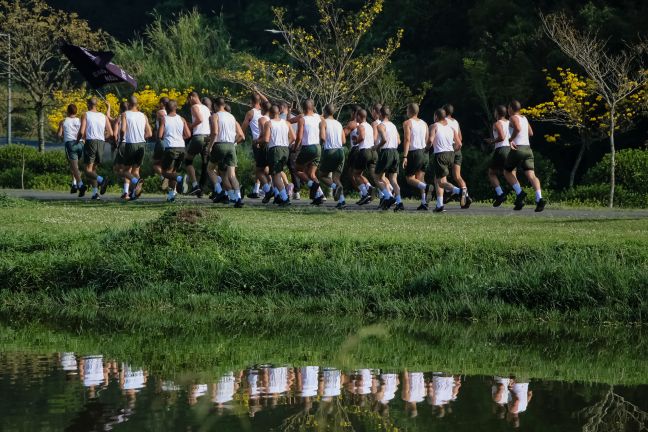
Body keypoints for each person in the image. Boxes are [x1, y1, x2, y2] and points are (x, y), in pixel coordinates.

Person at [503, 100, 546, 212]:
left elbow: (517, 128)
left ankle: (520, 192)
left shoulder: (513, 117)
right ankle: (539, 198)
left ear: (512, 109)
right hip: (528, 149)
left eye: (508, 108)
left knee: (507, 172)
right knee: (531, 175)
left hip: (518, 149)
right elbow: (531, 133)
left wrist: (511, 139)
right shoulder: (524, 118)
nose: (508, 110)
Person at [207, 97, 246, 207]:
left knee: (210, 168)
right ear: (224, 105)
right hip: (231, 146)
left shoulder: (215, 116)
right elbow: (240, 135)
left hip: (219, 145)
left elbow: (214, 133)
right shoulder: (232, 117)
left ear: (215, 105)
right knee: (232, 175)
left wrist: (210, 147)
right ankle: (238, 198)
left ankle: (219, 191)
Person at [115, 95, 151, 201]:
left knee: (125, 171)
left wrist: (122, 139)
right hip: (142, 144)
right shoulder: (143, 115)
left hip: (130, 144)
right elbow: (149, 133)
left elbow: (122, 130)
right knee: (136, 170)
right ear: (137, 104)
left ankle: (135, 183)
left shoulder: (125, 114)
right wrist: (141, 137)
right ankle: (136, 193)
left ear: (129, 104)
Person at [427, 108, 463, 212]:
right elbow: (459, 143)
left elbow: (430, 140)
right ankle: (439, 205)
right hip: (451, 155)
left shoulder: (434, 126)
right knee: (438, 179)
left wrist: (426, 148)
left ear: (436, 117)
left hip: (440, 155)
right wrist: (453, 150)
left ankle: (459, 191)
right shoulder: (451, 128)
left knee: (441, 182)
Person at [78, 97, 113, 200]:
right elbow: (110, 133)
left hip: (90, 142)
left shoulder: (85, 114)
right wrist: (102, 138)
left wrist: (77, 141)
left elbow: (81, 132)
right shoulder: (103, 116)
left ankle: (101, 180)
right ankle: (95, 193)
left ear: (88, 104)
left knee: (87, 170)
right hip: (101, 142)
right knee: (93, 169)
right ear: (96, 104)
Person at [262, 104, 296, 206]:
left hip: (275, 149)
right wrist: (286, 143)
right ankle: (279, 196)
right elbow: (293, 137)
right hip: (285, 149)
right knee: (278, 172)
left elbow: (266, 139)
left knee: (275, 176)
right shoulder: (287, 123)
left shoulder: (269, 123)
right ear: (279, 112)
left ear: (271, 113)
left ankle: (285, 198)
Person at [157, 100, 191, 202]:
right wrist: (180, 138)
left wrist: (165, 137)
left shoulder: (164, 119)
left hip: (170, 148)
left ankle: (180, 179)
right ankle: (171, 195)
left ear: (166, 108)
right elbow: (188, 134)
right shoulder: (182, 119)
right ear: (176, 108)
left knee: (164, 172)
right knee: (173, 172)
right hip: (181, 148)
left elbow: (160, 135)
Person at [181, 91, 212, 197]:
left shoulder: (194, 107)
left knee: (188, 161)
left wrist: (190, 126)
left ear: (192, 97)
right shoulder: (206, 108)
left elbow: (199, 119)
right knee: (205, 165)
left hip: (198, 137)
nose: (188, 102)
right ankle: (205, 189)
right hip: (208, 137)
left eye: (188, 100)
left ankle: (195, 185)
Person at [317, 104, 347, 209]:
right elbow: (344, 141)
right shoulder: (339, 124)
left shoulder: (323, 123)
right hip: (340, 151)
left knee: (322, 175)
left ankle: (335, 187)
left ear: (325, 111)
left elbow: (323, 138)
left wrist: (320, 145)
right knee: (336, 177)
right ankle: (342, 201)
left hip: (330, 151)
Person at [241, 93, 269, 199]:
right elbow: (266, 100)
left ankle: (268, 189)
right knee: (262, 167)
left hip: (257, 142)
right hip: (267, 141)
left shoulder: (251, 112)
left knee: (259, 168)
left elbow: (244, 126)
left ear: (251, 102)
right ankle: (257, 189)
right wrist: (258, 91)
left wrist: (240, 137)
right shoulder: (266, 111)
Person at [374, 106, 403, 211]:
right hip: (395, 152)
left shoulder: (380, 126)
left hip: (386, 152)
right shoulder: (393, 126)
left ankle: (388, 196)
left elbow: (384, 140)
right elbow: (399, 141)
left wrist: (376, 147)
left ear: (380, 115)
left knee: (377, 178)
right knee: (393, 179)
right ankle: (399, 202)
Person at [295, 99, 324, 204]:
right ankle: (319, 195)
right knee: (312, 174)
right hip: (318, 147)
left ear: (303, 108)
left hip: (308, 147)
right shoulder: (319, 117)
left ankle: (313, 185)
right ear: (313, 107)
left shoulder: (302, 119)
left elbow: (299, 136)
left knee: (297, 169)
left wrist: (295, 148)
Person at [402, 103, 429, 210]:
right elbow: (427, 139)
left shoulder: (407, 123)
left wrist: (405, 156)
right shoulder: (424, 123)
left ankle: (426, 188)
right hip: (424, 152)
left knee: (409, 179)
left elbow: (407, 140)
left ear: (409, 111)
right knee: (420, 178)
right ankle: (424, 202)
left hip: (414, 152)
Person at [444, 104, 471, 208]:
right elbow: (460, 137)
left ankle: (449, 191)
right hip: (458, 149)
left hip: (448, 149)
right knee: (457, 176)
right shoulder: (455, 122)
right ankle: (466, 196)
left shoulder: (443, 122)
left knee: (442, 175)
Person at [485, 105, 511, 207]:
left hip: (501, 149)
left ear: (497, 113)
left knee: (491, 173)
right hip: (510, 148)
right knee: (510, 173)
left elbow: (501, 137)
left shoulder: (497, 123)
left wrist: (492, 141)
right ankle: (519, 194)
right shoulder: (510, 123)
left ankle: (500, 194)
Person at [352, 109, 377, 205]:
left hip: (364, 151)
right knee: (372, 175)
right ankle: (371, 188)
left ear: (359, 116)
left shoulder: (361, 126)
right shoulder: (370, 126)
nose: (355, 118)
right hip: (372, 151)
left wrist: (355, 141)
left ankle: (365, 194)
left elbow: (361, 137)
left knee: (355, 174)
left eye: (356, 116)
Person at [57, 104, 82, 194]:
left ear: (67, 111)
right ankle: (75, 183)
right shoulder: (80, 120)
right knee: (77, 166)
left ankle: (77, 184)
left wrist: (63, 135)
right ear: (76, 111)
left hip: (70, 144)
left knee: (73, 166)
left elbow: (59, 134)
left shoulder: (63, 121)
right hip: (80, 143)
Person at [281, 101, 301, 200]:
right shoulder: (295, 118)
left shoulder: (281, 118)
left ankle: (291, 190)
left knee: (281, 168)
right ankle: (295, 191)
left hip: (287, 145)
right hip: (294, 145)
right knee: (293, 169)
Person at [153, 97, 170, 190]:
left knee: (156, 165)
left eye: (160, 103)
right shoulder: (172, 114)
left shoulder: (160, 113)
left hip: (161, 140)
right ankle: (172, 188)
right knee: (168, 166)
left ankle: (164, 177)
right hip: (169, 142)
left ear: (162, 103)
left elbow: (160, 127)